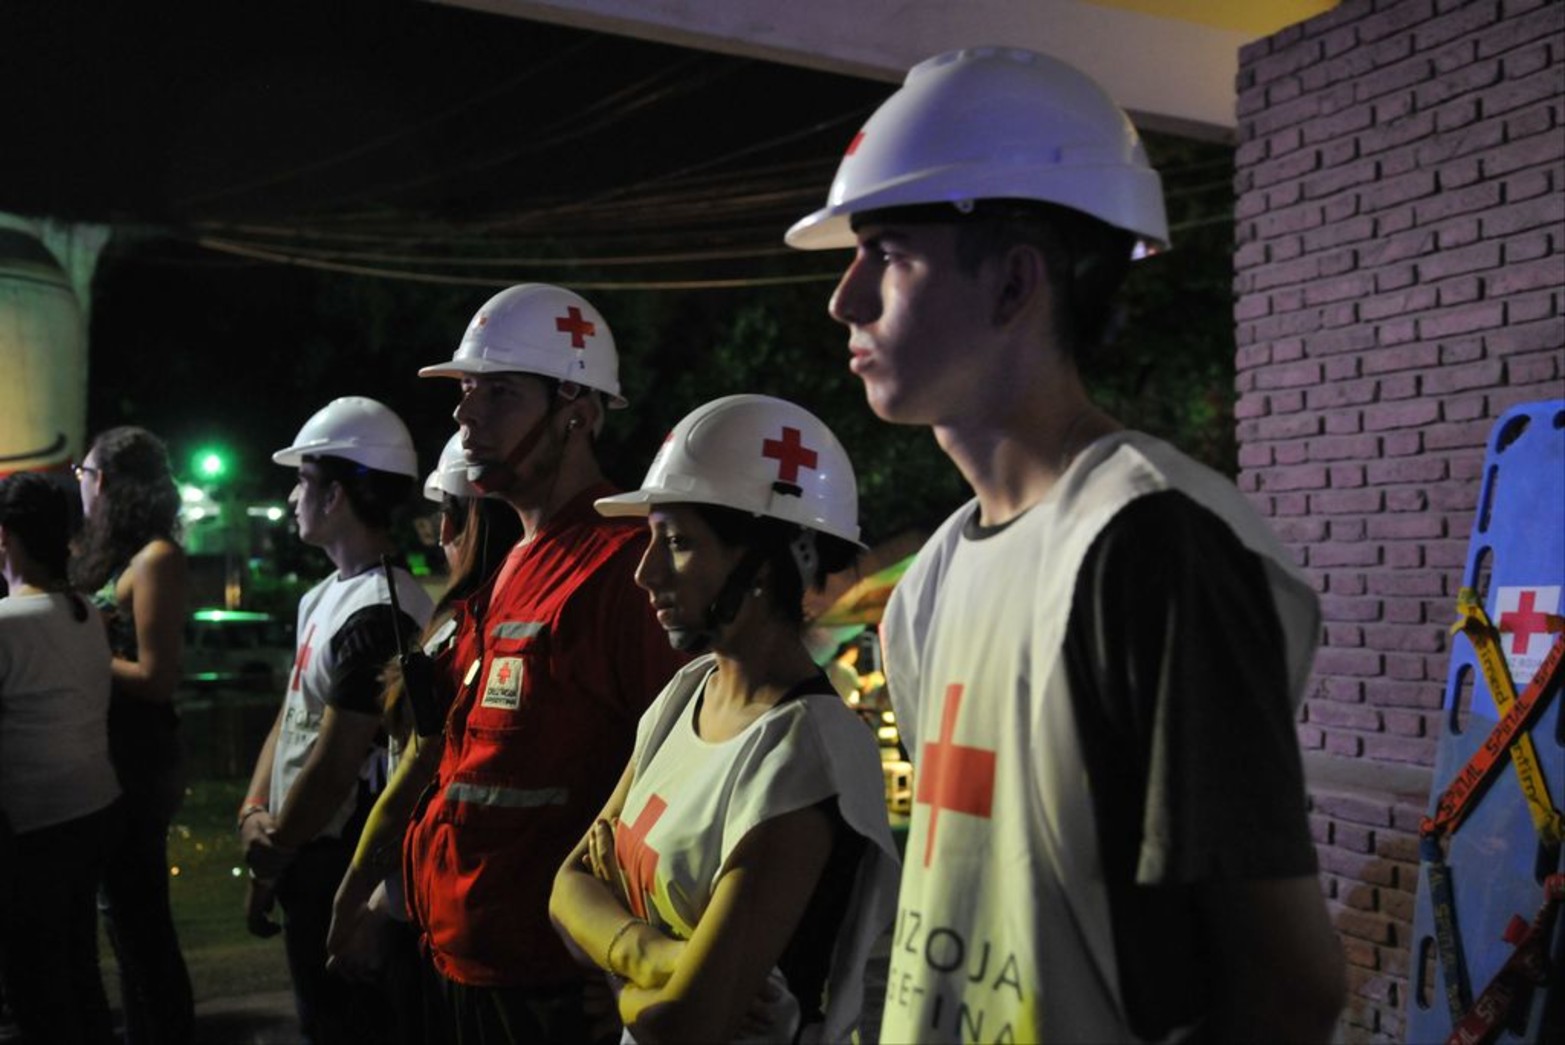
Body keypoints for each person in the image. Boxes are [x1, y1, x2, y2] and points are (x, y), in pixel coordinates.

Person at [786, 46, 1347, 1043]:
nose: (845, 299)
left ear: (1012, 282)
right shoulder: (936, 575)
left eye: (888, 253)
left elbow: (1286, 991)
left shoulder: (1150, 545)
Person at [551, 393, 900, 1043]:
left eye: (678, 542)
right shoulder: (686, 692)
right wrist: (660, 957)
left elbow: (687, 1022)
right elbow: (563, 890)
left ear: (766, 565)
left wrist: (618, 972)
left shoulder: (807, 750)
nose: (644, 571)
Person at [400, 283, 688, 1044]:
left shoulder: (624, 567)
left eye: (497, 393)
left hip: (553, 983)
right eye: (465, 391)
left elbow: (674, 783)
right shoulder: (515, 561)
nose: (466, 415)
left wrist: (631, 949)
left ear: (577, 411)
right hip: (469, 959)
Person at [239, 396, 435, 1044]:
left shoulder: (383, 610)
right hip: (301, 846)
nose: (293, 495)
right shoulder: (326, 594)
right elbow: (292, 714)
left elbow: (337, 759)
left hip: (341, 858)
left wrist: (276, 850)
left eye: (303, 479)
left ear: (337, 495)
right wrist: (252, 811)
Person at [324, 432, 522, 1040]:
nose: (440, 536)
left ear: (475, 522)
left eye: (449, 516)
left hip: (431, 912)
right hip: (446, 904)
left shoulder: (467, 633)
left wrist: (356, 895)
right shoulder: (483, 623)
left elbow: (412, 777)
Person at [71, 426, 195, 1044]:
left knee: (140, 917)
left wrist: (73, 650)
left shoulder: (157, 559)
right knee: (120, 916)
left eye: (85, 476)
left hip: (139, 760)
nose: (82, 489)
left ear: (112, 485)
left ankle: (165, 1031)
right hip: (108, 755)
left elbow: (155, 676)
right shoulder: (113, 557)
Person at [0, 472, 122, 1045]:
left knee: (37, 989)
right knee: (78, 970)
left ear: (5, 537)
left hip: (30, 829)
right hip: (93, 808)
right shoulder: (83, 612)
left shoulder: (9, 624)